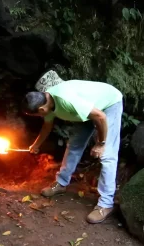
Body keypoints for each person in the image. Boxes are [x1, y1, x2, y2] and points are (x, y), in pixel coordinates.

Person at [21, 79, 123, 224]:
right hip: (87, 108)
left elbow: (100, 116)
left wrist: (101, 144)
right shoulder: (45, 101)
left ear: (41, 110)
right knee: (74, 145)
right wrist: (36, 145)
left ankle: (106, 205)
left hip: (108, 104)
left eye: (37, 115)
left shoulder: (66, 100)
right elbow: (47, 127)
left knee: (107, 155)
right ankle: (61, 183)